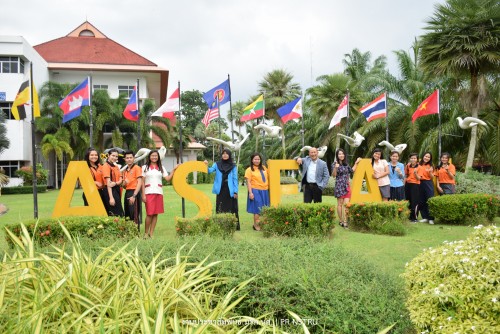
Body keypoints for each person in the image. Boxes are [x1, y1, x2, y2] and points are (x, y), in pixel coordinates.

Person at [141, 150, 177, 238]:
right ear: (149, 157)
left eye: (156, 156)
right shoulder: (144, 167)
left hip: (158, 192)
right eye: (152, 156)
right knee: (149, 213)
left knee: (156, 213)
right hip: (148, 192)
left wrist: (173, 170)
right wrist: (143, 194)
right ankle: (146, 233)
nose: (154, 157)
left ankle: (151, 233)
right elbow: (142, 182)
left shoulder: (161, 167)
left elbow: (168, 178)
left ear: (158, 157)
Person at [204, 149, 240, 230]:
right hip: (220, 189)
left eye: (227, 154)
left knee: (231, 208)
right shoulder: (217, 164)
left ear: (229, 155)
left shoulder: (233, 166)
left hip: (230, 189)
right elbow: (209, 171)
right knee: (220, 207)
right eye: (223, 154)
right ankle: (220, 225)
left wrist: (235, 191)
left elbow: (235, 179)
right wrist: (205, 165)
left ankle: (232, 226)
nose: (225, 155)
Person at [332, 148, 360, 228]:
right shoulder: (335, 164)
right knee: (340, 204)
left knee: (346, 204)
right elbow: (333, 175)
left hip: (347, 186)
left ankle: (345, 221)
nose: (341, 155)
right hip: (339, 186)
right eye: (339, 154)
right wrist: (336, 168)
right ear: (337, 155)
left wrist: (356, 163)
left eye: (342, 154)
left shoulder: (346, 164)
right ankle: (340, 221)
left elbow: (352, 170)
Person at [245, 153, 269, 231]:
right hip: (255, 190)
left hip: (265, 190)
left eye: (258, 159)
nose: (257, 161)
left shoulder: (264, 168)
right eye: (255, 159)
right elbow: (248, 182)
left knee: (264, 208)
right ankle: (256, 226)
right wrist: (250, 193)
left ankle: (258, 224)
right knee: (257, 208)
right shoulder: (249, 170)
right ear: (252, 160)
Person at [122, 150, 143, 230]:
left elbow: (139, 182)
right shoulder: (125, 171)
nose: (129, 159)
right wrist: (124, 183)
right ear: (125, 159)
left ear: (134, 158)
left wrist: (134, 196)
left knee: (134, 214)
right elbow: (124, 186)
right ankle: (129, 233)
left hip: (134, 192)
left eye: (131, 157)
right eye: (127, 158)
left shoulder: (137, 168)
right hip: (127, 192)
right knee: (127, 214)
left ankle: (136, 233)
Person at [101, 148, 124, 216]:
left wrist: (116, 183)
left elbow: (120, 180)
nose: (115, 158)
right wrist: (111, 198)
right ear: (108, 155)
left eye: (116, 156)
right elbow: (109, 183)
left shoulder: (116, 166)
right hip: (109, 191)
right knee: (116, 213)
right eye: (113, 155)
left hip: (116, 189)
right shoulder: (106, 166)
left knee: (119, 212)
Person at [405, 153, 422, 223]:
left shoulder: (419, 167)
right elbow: (406, 175)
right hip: (408, 184)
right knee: (408, 201)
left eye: (414, 158)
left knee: (414, 201)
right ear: (410, 159)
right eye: (412, 158)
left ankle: (414, 218)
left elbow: (419, 178)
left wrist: (415, 173)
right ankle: (409, 217)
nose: (413, 159)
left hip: (415, 185)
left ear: (417, 159)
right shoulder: (408, 166)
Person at [419, 152, 435, 224]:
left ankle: (431, 218)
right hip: (419, 183)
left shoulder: (431, 166)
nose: (426, 158)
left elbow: (432, 177)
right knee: (421, 200)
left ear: (430, 159)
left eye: (428, 157)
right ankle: (425, 217)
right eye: (426, 156)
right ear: (423, 156)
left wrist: (430, 172)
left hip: (428, 183)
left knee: (429, 199)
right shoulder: (418, 164)